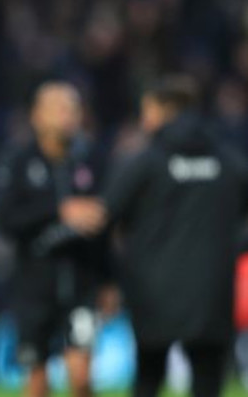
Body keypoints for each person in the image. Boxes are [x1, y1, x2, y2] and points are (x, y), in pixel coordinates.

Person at [80, 76, 248, 397]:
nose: (144, 120)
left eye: (147, 111)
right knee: (208, 381)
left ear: (161, 112)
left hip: (152, 291)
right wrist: (233, 248)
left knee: (148, 377)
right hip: (211, 290)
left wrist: (108, 277)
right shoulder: (229, 161)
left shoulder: (145, 162)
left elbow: (102, 219)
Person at [0, 82, 110, 397]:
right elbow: (6, 221)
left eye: (73, 108)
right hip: (33, 290)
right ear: (37, 116)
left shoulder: (93, 160)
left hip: (82, 285)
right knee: (37, 382)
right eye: (58, 108)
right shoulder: (18, 161)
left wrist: (109, 281)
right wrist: (59, 210)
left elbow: (108, 223)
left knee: (81, 377)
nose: (67, 116)